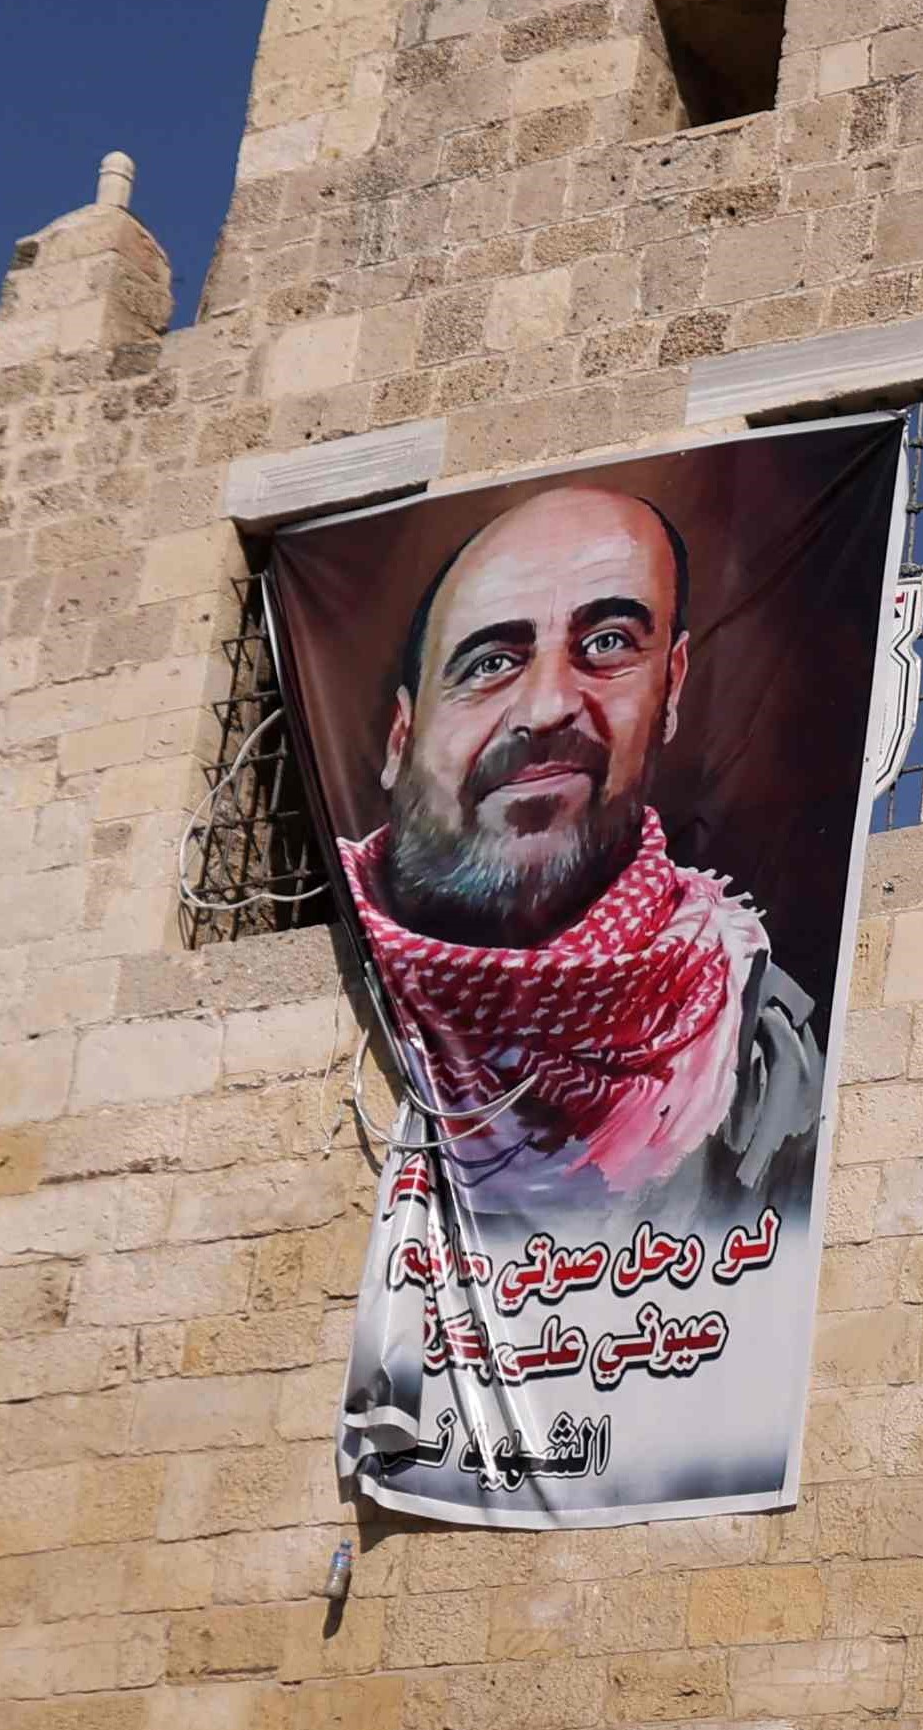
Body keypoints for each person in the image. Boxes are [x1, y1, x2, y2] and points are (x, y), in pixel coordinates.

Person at [328, 473, 831, 1510]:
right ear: (395, 739)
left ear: (674, 685)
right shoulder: (340, 995)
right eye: (492, 661)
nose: (551, 704)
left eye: (607, 644)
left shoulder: (758, 1053)